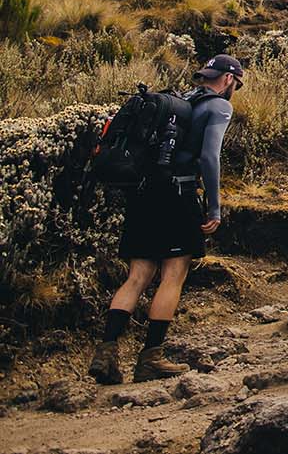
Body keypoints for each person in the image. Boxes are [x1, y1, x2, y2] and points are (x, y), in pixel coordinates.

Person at [89, 54, 242, 385]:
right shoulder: (218, 107)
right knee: (173, 274)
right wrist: (214, 207)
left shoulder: (180, 101)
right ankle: (151, 357)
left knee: (138, 275)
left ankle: (106, 351)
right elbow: (208, 157)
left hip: (143, 193)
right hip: (178, 194)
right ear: (229, 80)